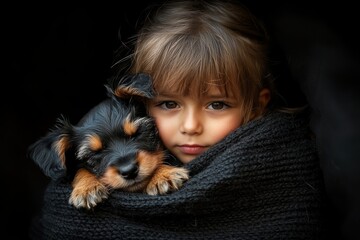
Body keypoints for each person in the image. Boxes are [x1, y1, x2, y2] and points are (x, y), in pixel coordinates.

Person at [29, 0, 330, 239]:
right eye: (170, 103)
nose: (190, 126)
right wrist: (83, 177)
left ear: (257, 105)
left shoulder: (284, 164)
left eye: (217, 104)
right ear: (144, 104)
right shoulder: (84, 176)